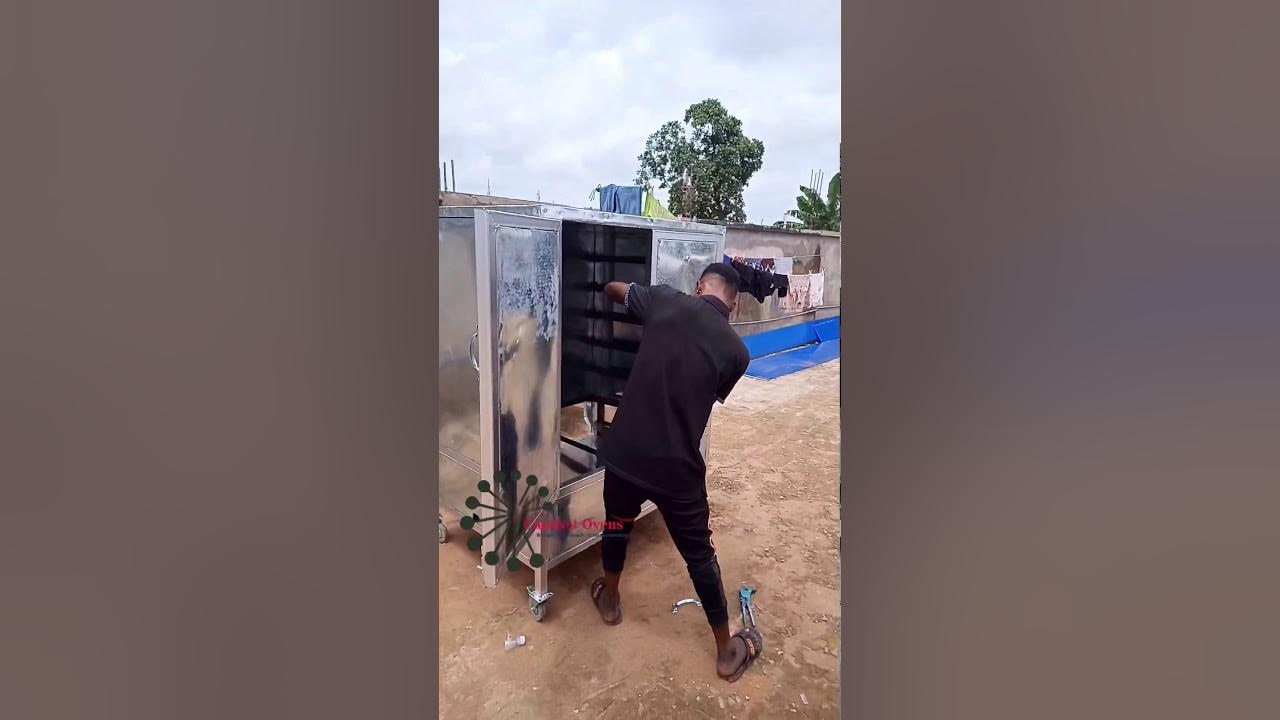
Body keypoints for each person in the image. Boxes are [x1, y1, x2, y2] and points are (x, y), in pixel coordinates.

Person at [590, 263, 763, 682]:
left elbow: (616, 289)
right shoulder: (738, 353)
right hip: (677, 470)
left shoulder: (665, 299)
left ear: (701, 286)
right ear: (733, 304)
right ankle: (725, 651)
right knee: (699, 556)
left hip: (626, 454)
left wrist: (627, 293)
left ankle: (610, 600)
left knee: (617, 526)